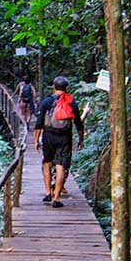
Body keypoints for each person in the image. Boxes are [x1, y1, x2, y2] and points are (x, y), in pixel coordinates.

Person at [34, 76, 84, 209]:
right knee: (61, 166)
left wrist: (36, 140)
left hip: (49, 136)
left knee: (47, 162)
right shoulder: (71, 103)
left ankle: (48, 192)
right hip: (65, 138)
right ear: (66, 88)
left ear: (53, 87)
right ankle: (56, 198)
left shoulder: (47, 102)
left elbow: (39, 123)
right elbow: (78, 123)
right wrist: (81, 139)